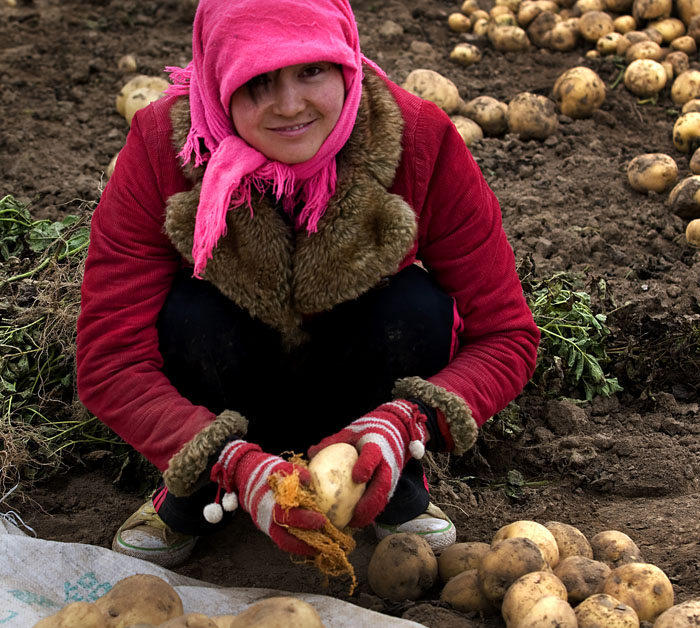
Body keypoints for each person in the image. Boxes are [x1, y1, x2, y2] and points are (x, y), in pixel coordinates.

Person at [76, 0, 540, 569]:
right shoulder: (160, 148)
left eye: (311, 71)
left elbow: (507, 334)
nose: (290, 106)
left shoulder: (421, 140)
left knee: (414, 307)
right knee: (189, 316)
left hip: (360, 387)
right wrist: (229, 462)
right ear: (218, 77)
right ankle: (198, 487)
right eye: (258, 81)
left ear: (345, 61)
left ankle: (384, 476)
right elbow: (109, 356)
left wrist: (406, 421)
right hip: (225, 389)